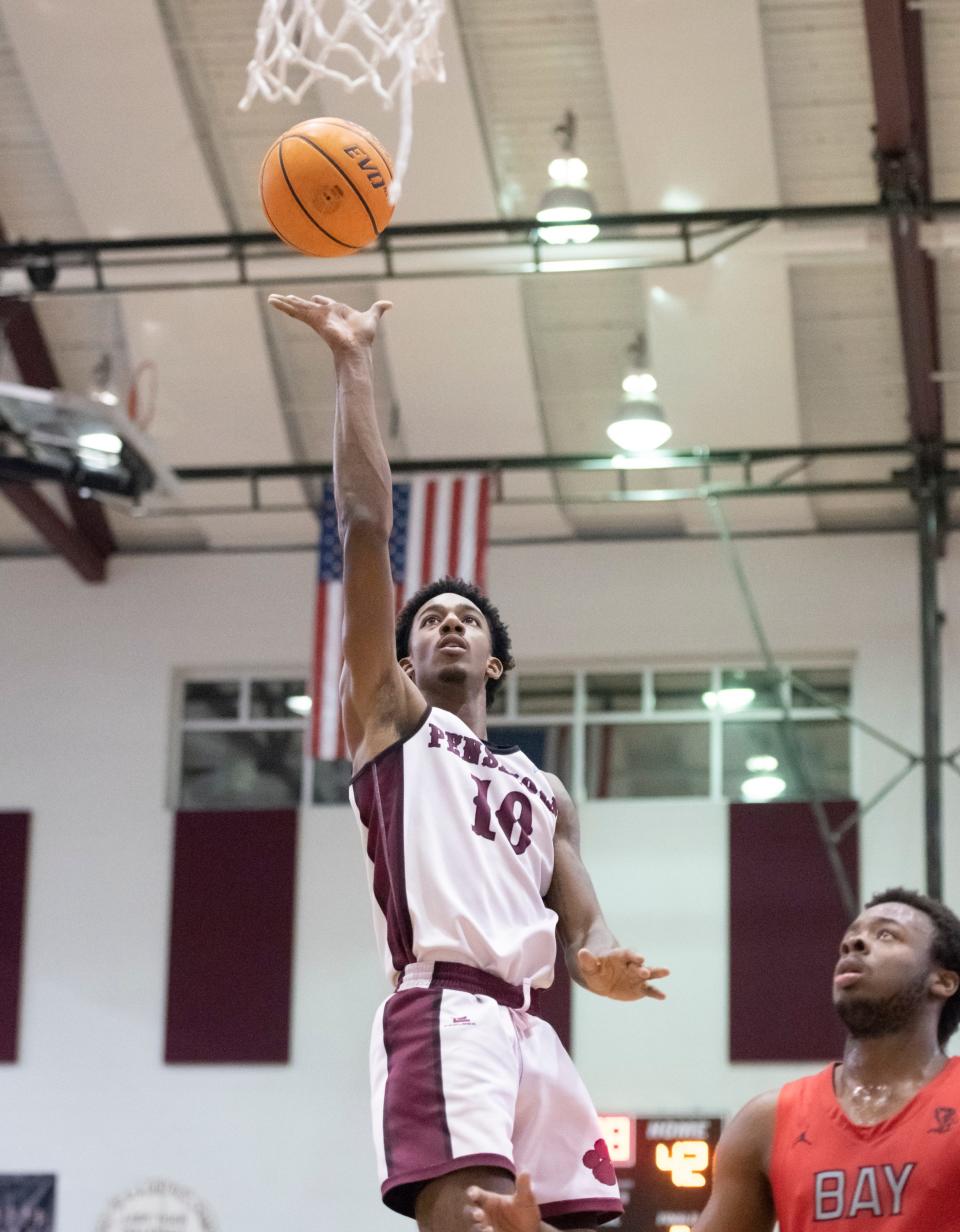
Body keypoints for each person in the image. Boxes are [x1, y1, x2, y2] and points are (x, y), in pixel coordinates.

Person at [268, 292, 669, 1232]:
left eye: (467, 619)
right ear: (404, 662)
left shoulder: (545, 788)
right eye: (429, 622)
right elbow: (366, 531)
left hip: (532, 1027)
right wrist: (353, 365)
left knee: (585, 1224)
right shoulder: (394, 725)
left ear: (493, 661)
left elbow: (587, 919)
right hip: (443, 1010)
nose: (447, 622)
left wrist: (601, 959)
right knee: (476, 1220)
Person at [465, 886, 960, 1232]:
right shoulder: (768, 1122)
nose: (854, 942)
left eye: (887, 935)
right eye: (851, 936)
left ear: (944, 980)